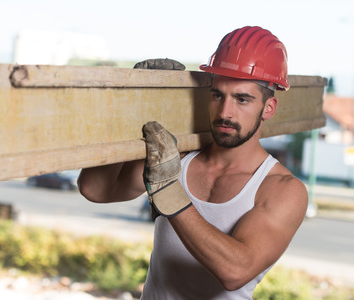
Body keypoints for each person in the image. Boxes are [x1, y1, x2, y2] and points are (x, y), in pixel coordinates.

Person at [77, 26, 308, 299]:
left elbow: (235, 271)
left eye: (242, 99)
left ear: (268, 108)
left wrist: (170, 195)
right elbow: (95, 189)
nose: (225, 112)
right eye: (217, 95)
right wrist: (130, 105)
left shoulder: (281, 190)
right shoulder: (179, 157)